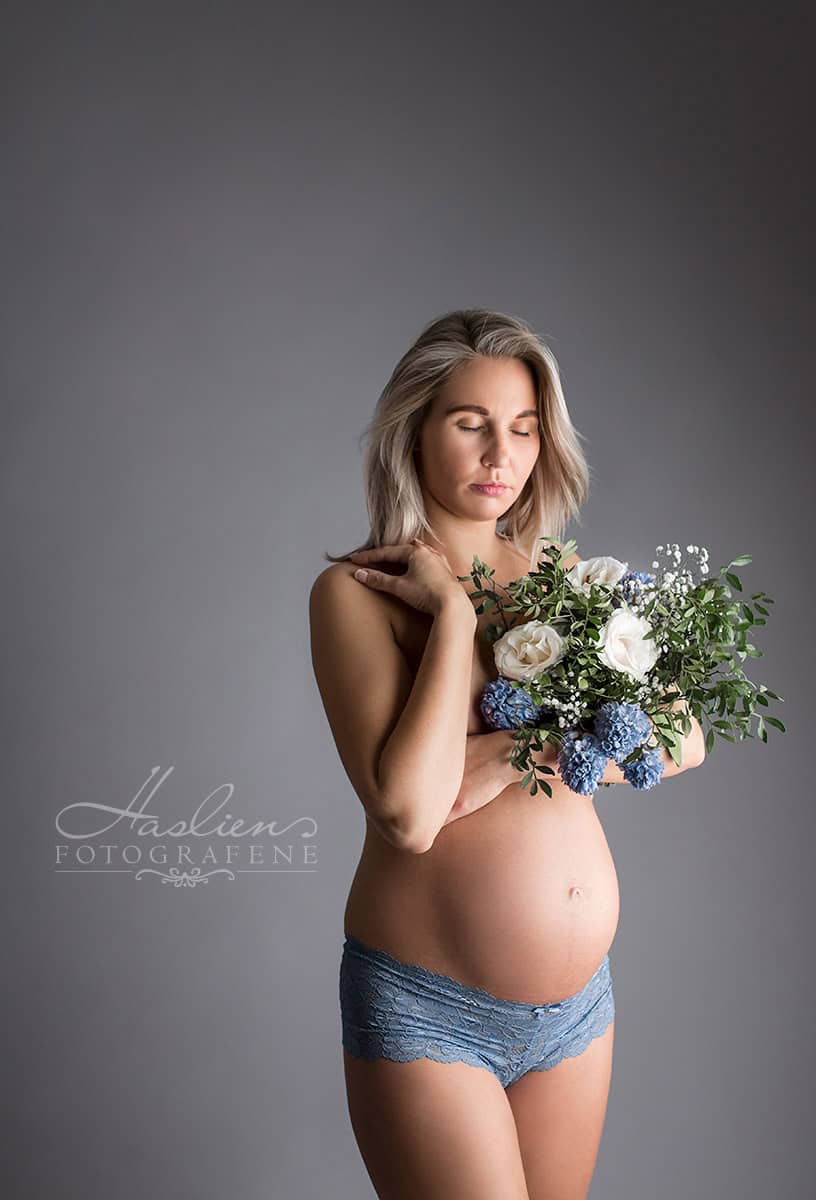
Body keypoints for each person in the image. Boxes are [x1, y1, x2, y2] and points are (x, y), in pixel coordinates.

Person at [309, 308, 705, 1200]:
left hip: (577, 1012)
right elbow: (412, 815)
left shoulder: (563, 583)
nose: (502, 455)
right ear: (416, 429)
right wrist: (450, 614)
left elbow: (684, 736)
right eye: (471, 424)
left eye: (523, 430)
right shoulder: (354, 596)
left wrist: (507, 751)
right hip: (430, 1011)